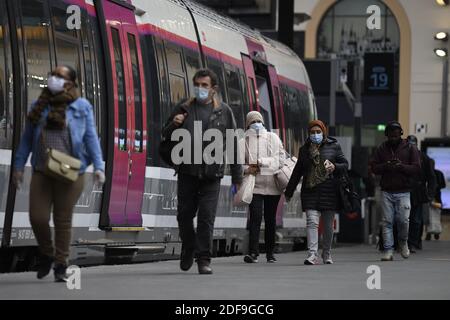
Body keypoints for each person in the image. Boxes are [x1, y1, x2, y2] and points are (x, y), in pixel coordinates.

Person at [12, 65, 105, 282]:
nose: (53, 78)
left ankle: (61, 264)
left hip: (72, 171)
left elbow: (91, 137)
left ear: (71, 83)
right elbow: (26, 140)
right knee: (37, 217)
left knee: (63, 219)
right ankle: (46, 252)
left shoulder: (82, 106)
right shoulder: (40, 105)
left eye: (59, 76)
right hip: (42, 170)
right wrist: (18, 167)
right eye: (52, 74)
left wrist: (99, 167)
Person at [161, 68, 242, 274]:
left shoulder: (224, 112)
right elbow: (165, 135)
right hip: (187, 172)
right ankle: (188, 247)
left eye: (204, 85)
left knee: (206, 218)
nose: (200, 89)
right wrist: (174, 125)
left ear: (213, 89)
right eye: (197, 84)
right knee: (184, 216)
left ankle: (203, 259)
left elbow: (232, 143)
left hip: (211, 176)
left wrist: (237, 177)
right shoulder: (183, 108)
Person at [284, 120, 348, 265]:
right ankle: (312, 254)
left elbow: (345, 164)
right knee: (312, 221)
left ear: (323, 132)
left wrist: (335, 166)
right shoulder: (304, 150)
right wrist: (289, 191)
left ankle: (327, 253)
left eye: (318, 132)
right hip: (310, 191)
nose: (315, 135)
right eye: (312, 132)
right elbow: (297, 172)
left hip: (329, 190)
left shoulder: (334, 146)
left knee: (327, 225)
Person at [370, 121, 420, 261]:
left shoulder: (410, 148)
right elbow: (373, 167)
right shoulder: (381, 148)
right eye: (390, 136)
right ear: (386, 135)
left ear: (401, 134)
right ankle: (388, 250)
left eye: (396, 135)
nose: (393, 138)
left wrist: (401, 167)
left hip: (404, 191)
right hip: (386, 190)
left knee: (403, 220)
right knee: (386, 221)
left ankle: (403, 243)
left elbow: (416, 168)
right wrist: (386, 166)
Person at [241, 111, 285, 264]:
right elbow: (238, 164)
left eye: (258, 120)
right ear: (247, 125)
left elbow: (280, 159)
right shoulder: (244, 141)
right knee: (255, 218)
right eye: (253, 121)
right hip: (255, 187)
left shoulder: (273, 138)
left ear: (263, 122)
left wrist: (261, 162)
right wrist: (247, 169)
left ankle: (270, 253)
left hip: (273, 187)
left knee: (270, 220)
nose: (256, 124)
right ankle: (253, 253)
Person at [406, 135, 436, 252]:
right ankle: (407, 242)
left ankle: (413, 242)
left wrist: (430, 193)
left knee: (416, 219)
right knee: (403, 219)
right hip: (405, 190)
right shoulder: (403, 157)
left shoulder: (424, 158)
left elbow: (431, 177)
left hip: (418, 192)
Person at [425, 159, 446, 241]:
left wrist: (435, 187)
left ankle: (433, 232)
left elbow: (443, 185)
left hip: (433, 197)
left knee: (433, 215)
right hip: (433, 197)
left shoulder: (429, 174)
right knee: (432, 215)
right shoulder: (438, 173)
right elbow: (443, 185)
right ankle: (432, 233)